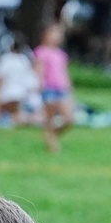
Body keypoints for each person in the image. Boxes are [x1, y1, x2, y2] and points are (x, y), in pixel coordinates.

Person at [33, 23, 76, 153]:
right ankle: (51, 144)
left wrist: (70, 87)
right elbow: (39, 69)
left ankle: (52, 135)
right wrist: (40, 84)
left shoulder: (61, 54)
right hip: (49, 88)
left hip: (62, 88)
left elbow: (64, 72)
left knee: (69, 119)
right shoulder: (41, 52)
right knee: (49, 118)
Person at [0, 37, 39, 126]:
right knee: (15, 114)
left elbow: (0, 79)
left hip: (7, 92)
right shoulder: (24, 60)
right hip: (21, 93)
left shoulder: (5, 59)